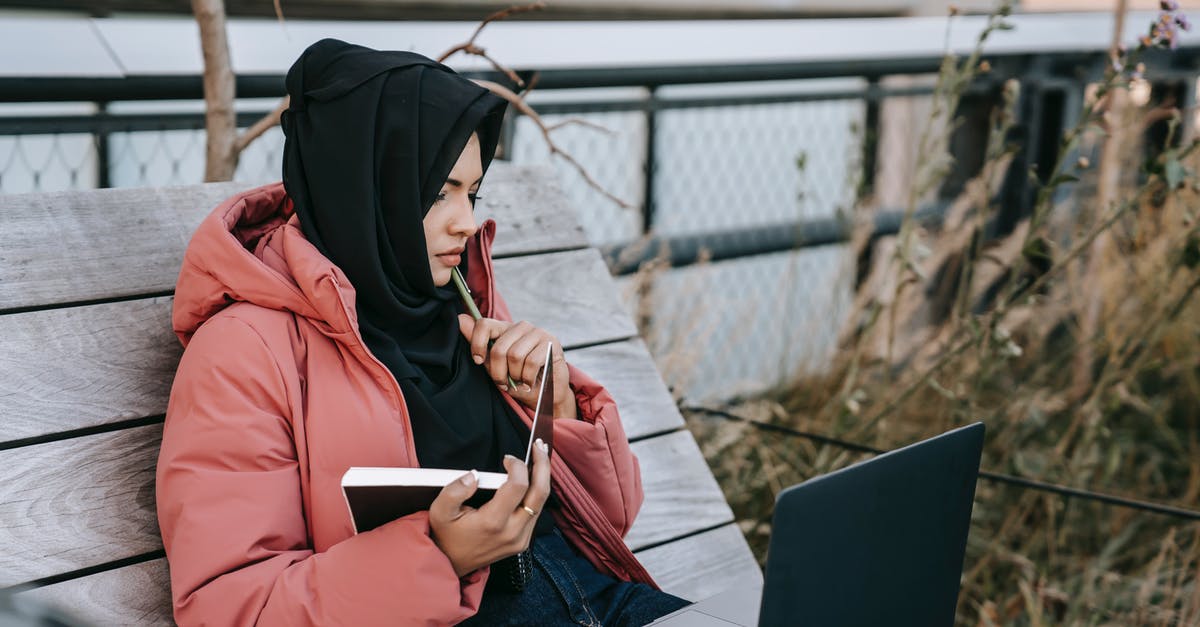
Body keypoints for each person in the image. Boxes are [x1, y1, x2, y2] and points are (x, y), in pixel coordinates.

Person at [155, 38, 690, 626]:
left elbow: (608, 525)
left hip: (593, 594)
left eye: (472, 191)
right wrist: (437, 556)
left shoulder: (452, 302)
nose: (467, 222)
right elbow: (229, 607)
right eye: (438, 193)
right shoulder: (245, 352)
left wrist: (557, 405)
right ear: (364, 186)